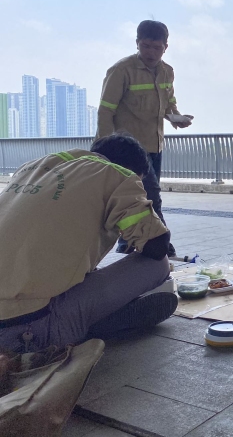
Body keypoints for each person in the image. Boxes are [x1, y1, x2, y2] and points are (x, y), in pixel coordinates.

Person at [0, 133, 178, 352]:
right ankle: (94, 324)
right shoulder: (117, 175)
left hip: (14, 314)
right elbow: (157, 246)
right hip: (29, 330)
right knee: (158, 264)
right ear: (132, 171)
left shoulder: (34, 168)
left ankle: (92, 315)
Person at [96, 19, 193, 257]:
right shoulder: (122, 70)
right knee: (149, 195)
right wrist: (103, 150)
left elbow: (169, 103)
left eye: (156, 47)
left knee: (144, 196)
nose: (150, 52)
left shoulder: (167, 71)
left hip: (154, 145)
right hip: (128, 150)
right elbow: (105, 110)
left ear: (165, 47)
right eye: (145, 46)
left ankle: (128, 243)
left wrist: (176, 118)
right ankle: (159, 242)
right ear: (137, 43)